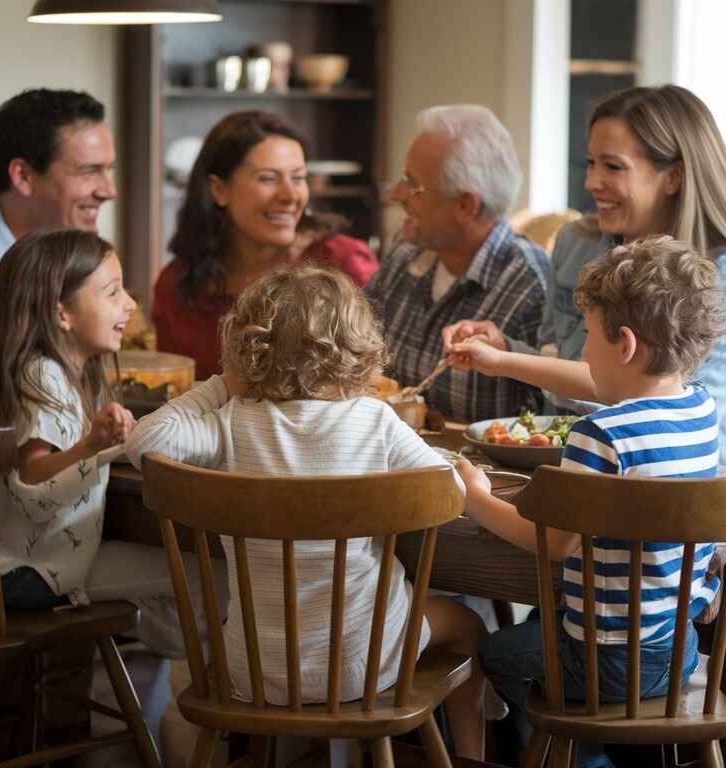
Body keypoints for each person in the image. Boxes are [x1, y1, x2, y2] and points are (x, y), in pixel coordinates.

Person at [128, 265, 488, 759]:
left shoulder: (233, 422)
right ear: (358, 346)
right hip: (365, 665)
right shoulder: (374, 420)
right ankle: (471, 758)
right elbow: (447, 493)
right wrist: (471, 481)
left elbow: (145, 443)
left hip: (253, 669)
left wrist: (223, 385)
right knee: (469, 625)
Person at [449, 236, 724, 768]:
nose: (582, 352)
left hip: (609, 661)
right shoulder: (698, 407)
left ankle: (584, 756)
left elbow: (553, 543)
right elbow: (611, 387)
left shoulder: (600, 436)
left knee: (497, 653)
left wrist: (477, 500)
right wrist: (502, 360)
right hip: (683, 648)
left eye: (587, 338)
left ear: (623, 344)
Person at [0, 229, 212, 658]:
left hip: (2, 570)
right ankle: (222, 691)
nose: (130, 305)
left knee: (176, 588)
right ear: (62, 313)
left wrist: (100, 444)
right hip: (22, 574)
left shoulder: (43, 371)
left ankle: (167, 657)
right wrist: (91, 447)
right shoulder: (43, 377)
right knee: (212, 579)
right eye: (112, 293)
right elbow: (34, 486)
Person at [443, 85, 726, 460]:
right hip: (558, 458)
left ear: (673, 177)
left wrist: (507, 363)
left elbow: (661, 396)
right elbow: (558, 354)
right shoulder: (576, 243)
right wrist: (505, 347)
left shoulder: (713, 274)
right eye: (591, 162)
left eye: (613, 166)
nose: (591, 182)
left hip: (662, 480)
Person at [152, 110, 378, 380]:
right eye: (268, 178)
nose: (290, 195)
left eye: (298, 177)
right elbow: (173, 393)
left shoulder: (344, 264)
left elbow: (377, 378)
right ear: (219, 190)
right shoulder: (178, 284)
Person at [366, 104, 549, 424]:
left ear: (466, 205)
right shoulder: (405, 250)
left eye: (412, 184)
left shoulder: (531, 285)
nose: (396, 194)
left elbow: (547, 427)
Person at [0, 88, 117, 354]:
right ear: (22, 175)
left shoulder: (75, 255)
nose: (109, 191)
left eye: (109, 170)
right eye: (89, 171)